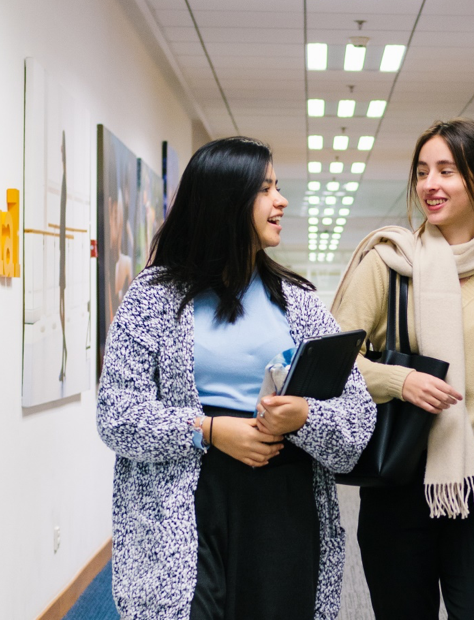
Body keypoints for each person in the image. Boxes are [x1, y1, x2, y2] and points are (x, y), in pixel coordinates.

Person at [97, 136, 376, 620]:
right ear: (227, 201)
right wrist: (207, 430)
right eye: (266, 189)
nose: (281, 200)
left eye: (278, 187)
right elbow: (116, 414)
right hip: (182, 503)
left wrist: (304, 416)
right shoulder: (153, 298)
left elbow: (356, 417)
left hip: (283, 503)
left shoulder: (298, 303)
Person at [331, 118, 474, 620]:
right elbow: (332, 364)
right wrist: (398, 380)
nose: (430, 184)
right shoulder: (387, 263)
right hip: (398, 483)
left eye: (447, 171)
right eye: (423, 171)